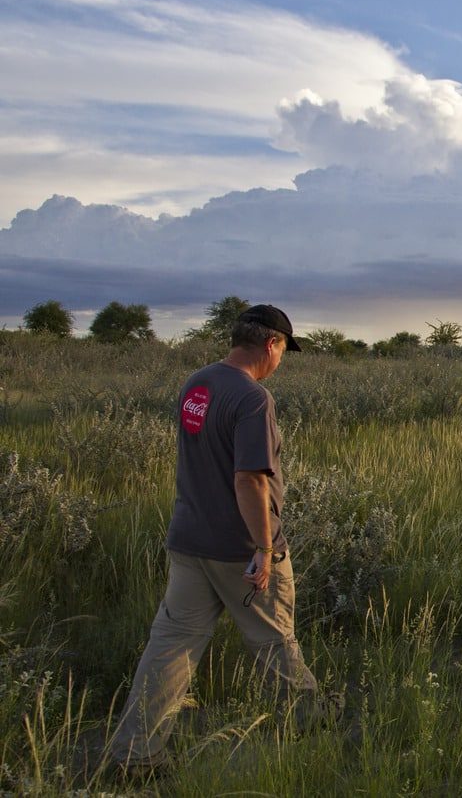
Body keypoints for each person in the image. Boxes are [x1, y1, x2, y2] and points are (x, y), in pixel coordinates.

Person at [111, 304, 339, 775]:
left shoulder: (198, 382)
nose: (281, 361)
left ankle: (136, 754)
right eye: (283, 351)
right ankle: (311, 718)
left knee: (170, 646)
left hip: (189, 539)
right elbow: (250, 480)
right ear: (271, 344)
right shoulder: (253, 398)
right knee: (274, 638)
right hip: (238, 548)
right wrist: (264, 548)